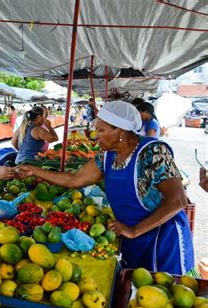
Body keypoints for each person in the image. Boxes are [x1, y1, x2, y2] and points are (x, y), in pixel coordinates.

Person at [17, 101, 194, 274]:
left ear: (121, 131)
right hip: (131, 236)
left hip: (163, 239)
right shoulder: (107, 157)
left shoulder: (153, 152)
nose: (95, 136)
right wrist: (34, 170)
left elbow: (177, 200)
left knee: (159, 295)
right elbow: (74, 180)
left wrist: (135, 230)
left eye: (101, 130)